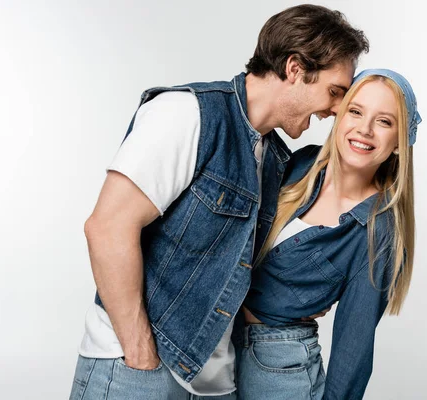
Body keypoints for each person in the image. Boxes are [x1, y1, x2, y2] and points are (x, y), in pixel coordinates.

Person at [69, 5, 369, 400]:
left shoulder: (277, 160)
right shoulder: (189, 114)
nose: (335, 110)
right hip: (138, 372)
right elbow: (107, 228)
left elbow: (243, 261)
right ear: (295, 68)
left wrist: (295, 299)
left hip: (217, 383)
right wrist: (140, 354)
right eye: (334, 92)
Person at [237, 68, 422, 400]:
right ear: (339, 114)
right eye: (356, 111)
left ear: (399, 142)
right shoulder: (302, 165)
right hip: (219, 349)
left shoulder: (377, 230)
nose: (364, 130)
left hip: (282, 369)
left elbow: (354, 346)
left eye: (384, 121)